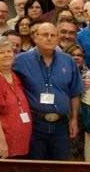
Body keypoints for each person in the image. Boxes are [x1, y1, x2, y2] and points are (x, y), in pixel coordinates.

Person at [12, 22, 84, 160]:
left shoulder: (68, 61)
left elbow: (74, 93)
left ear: (58, 38)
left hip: (61, 125)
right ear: (35, 37)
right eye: (45, 35)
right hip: (34, 124)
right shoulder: (20, 61)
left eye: (53, 35)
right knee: (36, 169)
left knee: (61, 168)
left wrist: (74, 119)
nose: (49, 38)